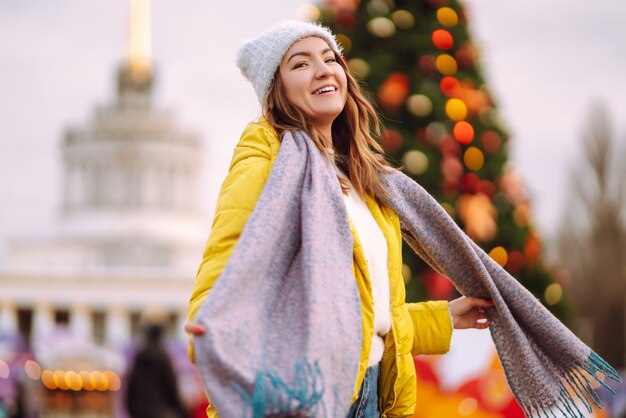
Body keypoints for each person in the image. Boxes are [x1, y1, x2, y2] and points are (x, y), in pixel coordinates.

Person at [185, 20, 492, 418]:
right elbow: (225, 266)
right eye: (301, 64)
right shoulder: (265, 162)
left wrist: (445, 318)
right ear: (274, 92)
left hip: (370, 398)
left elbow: (366, 318)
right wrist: (215, 333)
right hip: (305, 396)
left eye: (330, 59)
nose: (324, 69)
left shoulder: (365, 179)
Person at [126, 317, 187, 418]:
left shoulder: (139, 356)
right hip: (160, 411)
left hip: (140, 411)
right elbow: (171, 387)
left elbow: (132, 388)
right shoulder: (163, 357)